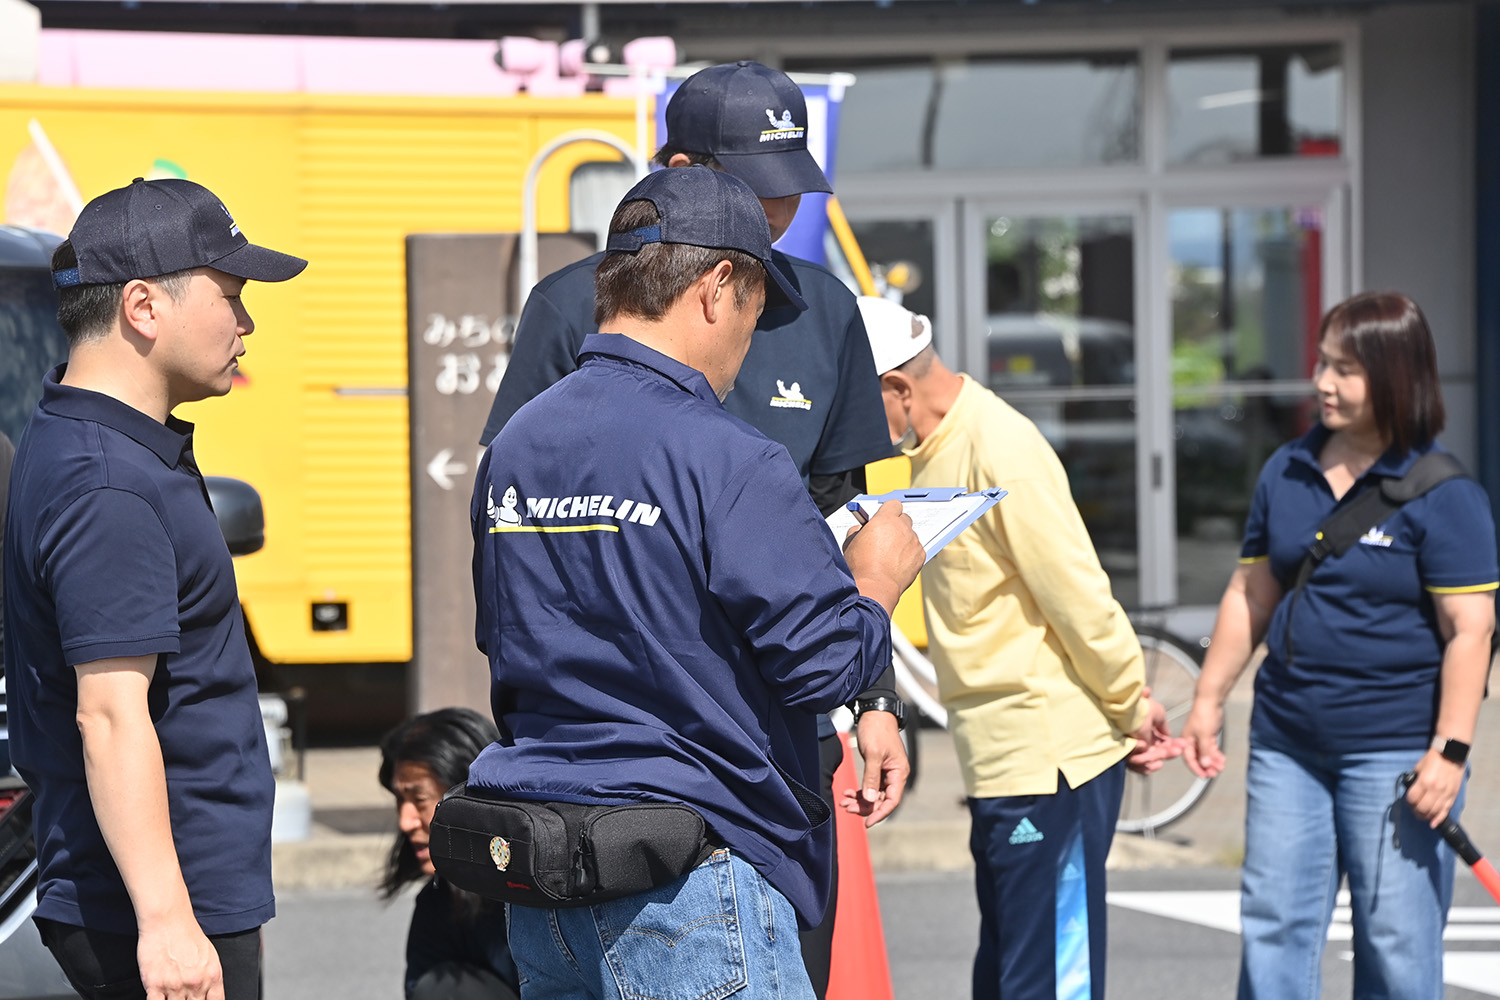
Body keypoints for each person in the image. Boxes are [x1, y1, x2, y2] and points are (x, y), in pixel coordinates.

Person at [477, 60, 903, 995]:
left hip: (578, 819)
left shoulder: (520, 451)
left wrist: (876, 705)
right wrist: (876, 590)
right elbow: (827, 639)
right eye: (755, 196)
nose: (776, 221)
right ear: (716, 288)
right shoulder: (726, 454)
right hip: (703, 830)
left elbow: (502, 615)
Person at [1, 177, 306, 1000]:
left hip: (158, 889)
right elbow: (108, 714)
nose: (246, 323)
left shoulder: (84, 434)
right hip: (157, 907)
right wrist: (168, 922)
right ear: (143, 305)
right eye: (232, 295)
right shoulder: (111, 485)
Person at [856, 294, 1176, 1000]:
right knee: (1005, 975)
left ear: (898, 388)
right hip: (1001, 758)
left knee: (1046, 982)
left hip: (1050, 756)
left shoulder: (998, 446)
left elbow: (1077, 593)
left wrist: (1131, 700)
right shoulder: (930, 450)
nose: (853, 426)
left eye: (858, 400)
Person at [1181, 291, 1497, 1000]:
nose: (1323, 382)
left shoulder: (1443, 494)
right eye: (1323, 364)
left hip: (1395, 753)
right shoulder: (1287, 470)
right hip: (1287, 741)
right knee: (1274, 930)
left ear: (1397, 376)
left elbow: (1470, 631)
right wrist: (1207, 699)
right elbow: (1250, 594)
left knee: (1396, 945)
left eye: (1346, 370)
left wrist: (1450, 752)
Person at [379, 708, 520, 1000]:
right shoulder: (437, 900)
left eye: (418, 799)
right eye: (399, 800)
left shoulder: (532, 894)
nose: (405, 822)